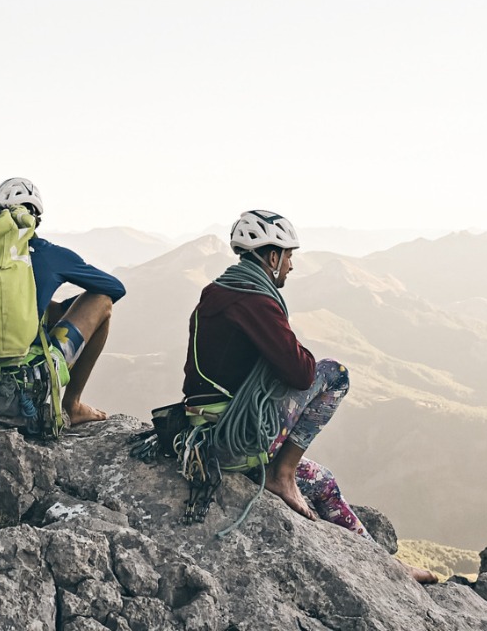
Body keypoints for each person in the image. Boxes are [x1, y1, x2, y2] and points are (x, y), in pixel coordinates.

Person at [183, 208, 436, 584]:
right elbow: (301, 374)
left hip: (204, 439)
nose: (291, 266)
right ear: (272, 257)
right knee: (334, 374)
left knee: (322, 482)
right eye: (288, 256)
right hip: (234, 444)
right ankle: (281, 474)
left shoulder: (217, 291)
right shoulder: (257, 302)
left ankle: (390, 568)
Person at [0, 177, 125, 426]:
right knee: (101, 303)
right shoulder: (46, 253)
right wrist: (70, 308)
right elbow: (114, 289)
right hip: (27, 376)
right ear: (35, 219)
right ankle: (72, 405)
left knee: (48, 308)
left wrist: (49, 308)